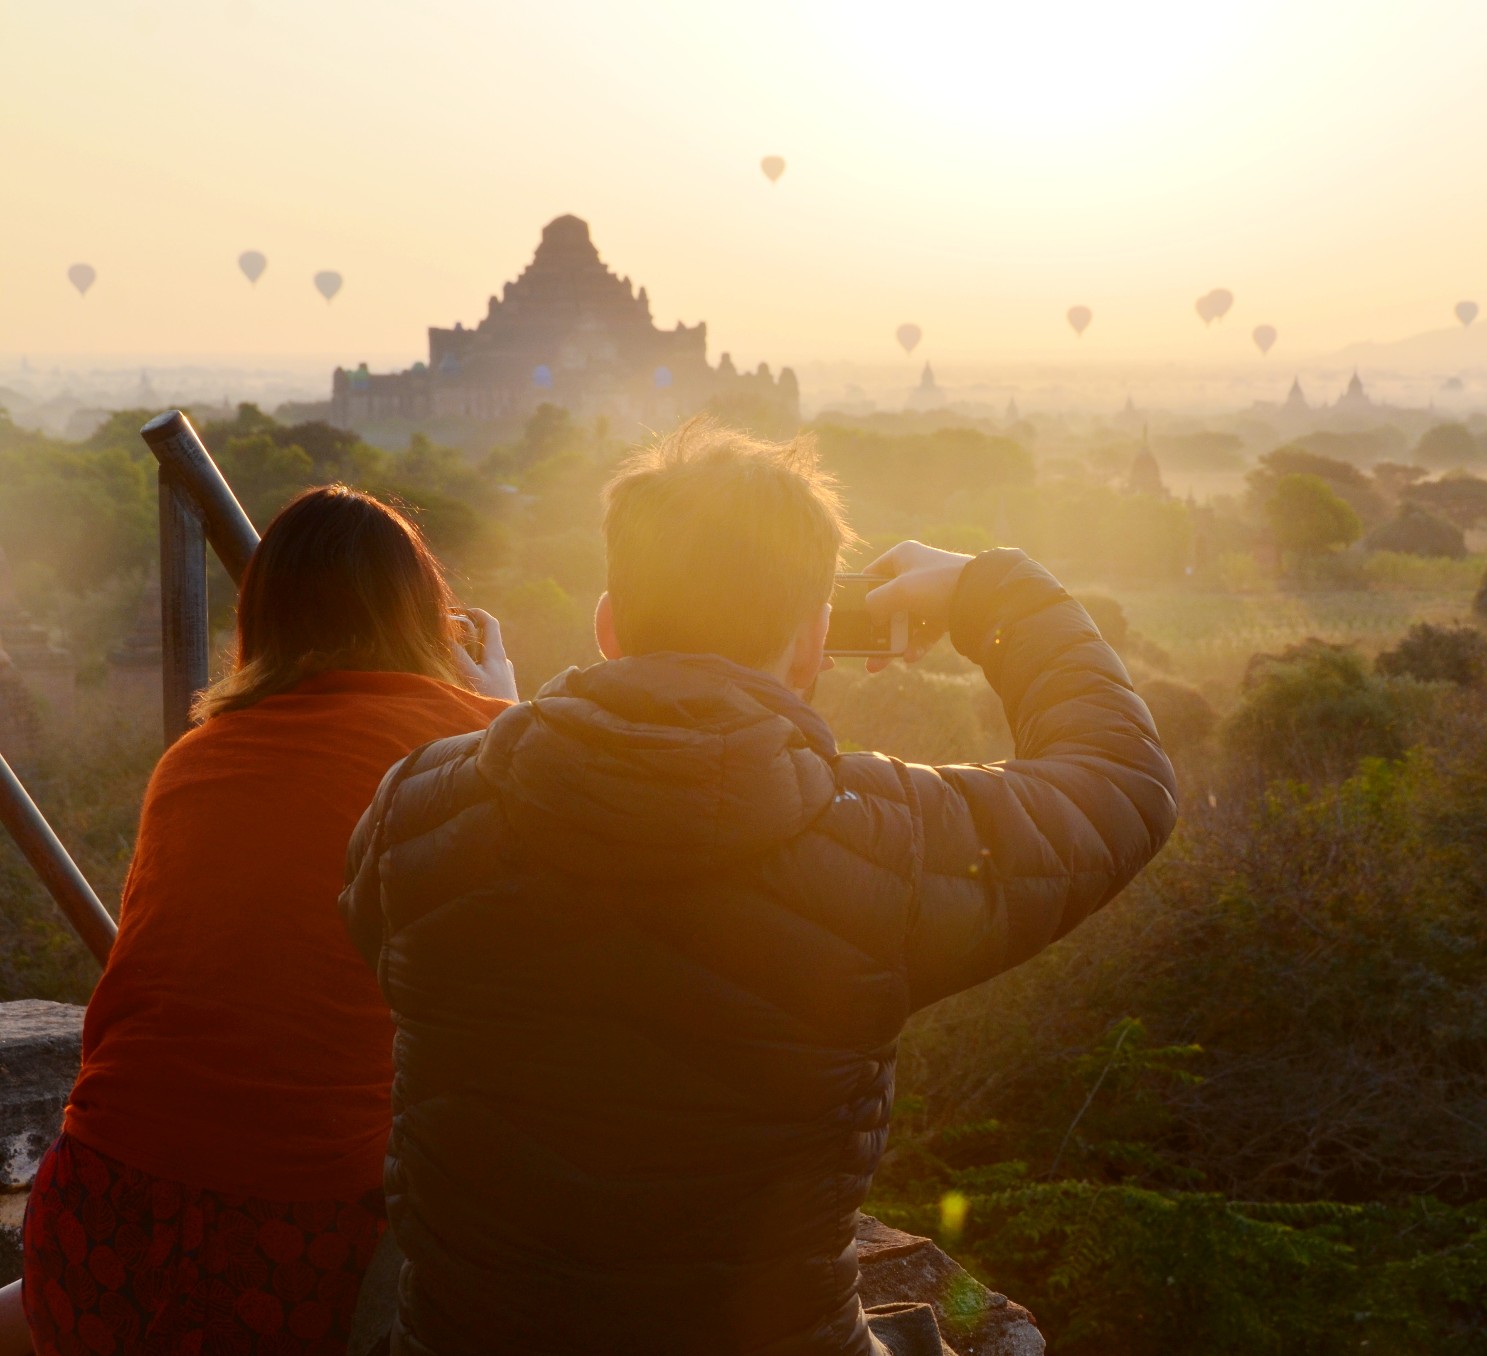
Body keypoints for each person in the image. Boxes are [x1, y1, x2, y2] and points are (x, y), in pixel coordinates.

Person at [339, 418, 1177, 1356]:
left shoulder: (417, 805)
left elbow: (375, 938)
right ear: (815, 644)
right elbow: (1121, 783)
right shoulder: (884, 839)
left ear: (609, 623)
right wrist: (993, 591)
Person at [9, 486, 518, 1356]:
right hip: (297, 1248)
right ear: (431, 619)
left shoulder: (195, 759)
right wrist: (505, 703)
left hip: (94, 1211)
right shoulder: (480, 747)